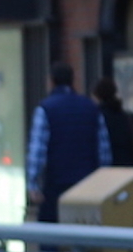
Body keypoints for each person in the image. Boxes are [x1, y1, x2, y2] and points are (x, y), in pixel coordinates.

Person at [26, 61, 110, 223]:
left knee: (51, 235)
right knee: (83, 234)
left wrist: (33, 184)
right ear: (73, 81)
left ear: (51, 81)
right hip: (87, 184)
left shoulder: (45, 109)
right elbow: (104, 151)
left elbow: (37, 152)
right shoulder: (91, 108)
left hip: (55, 183)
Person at [95, 77, 133, 170]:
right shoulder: (132, 118)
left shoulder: (97, 119)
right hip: (130, 173)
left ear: (96, 96)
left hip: (107, 175)